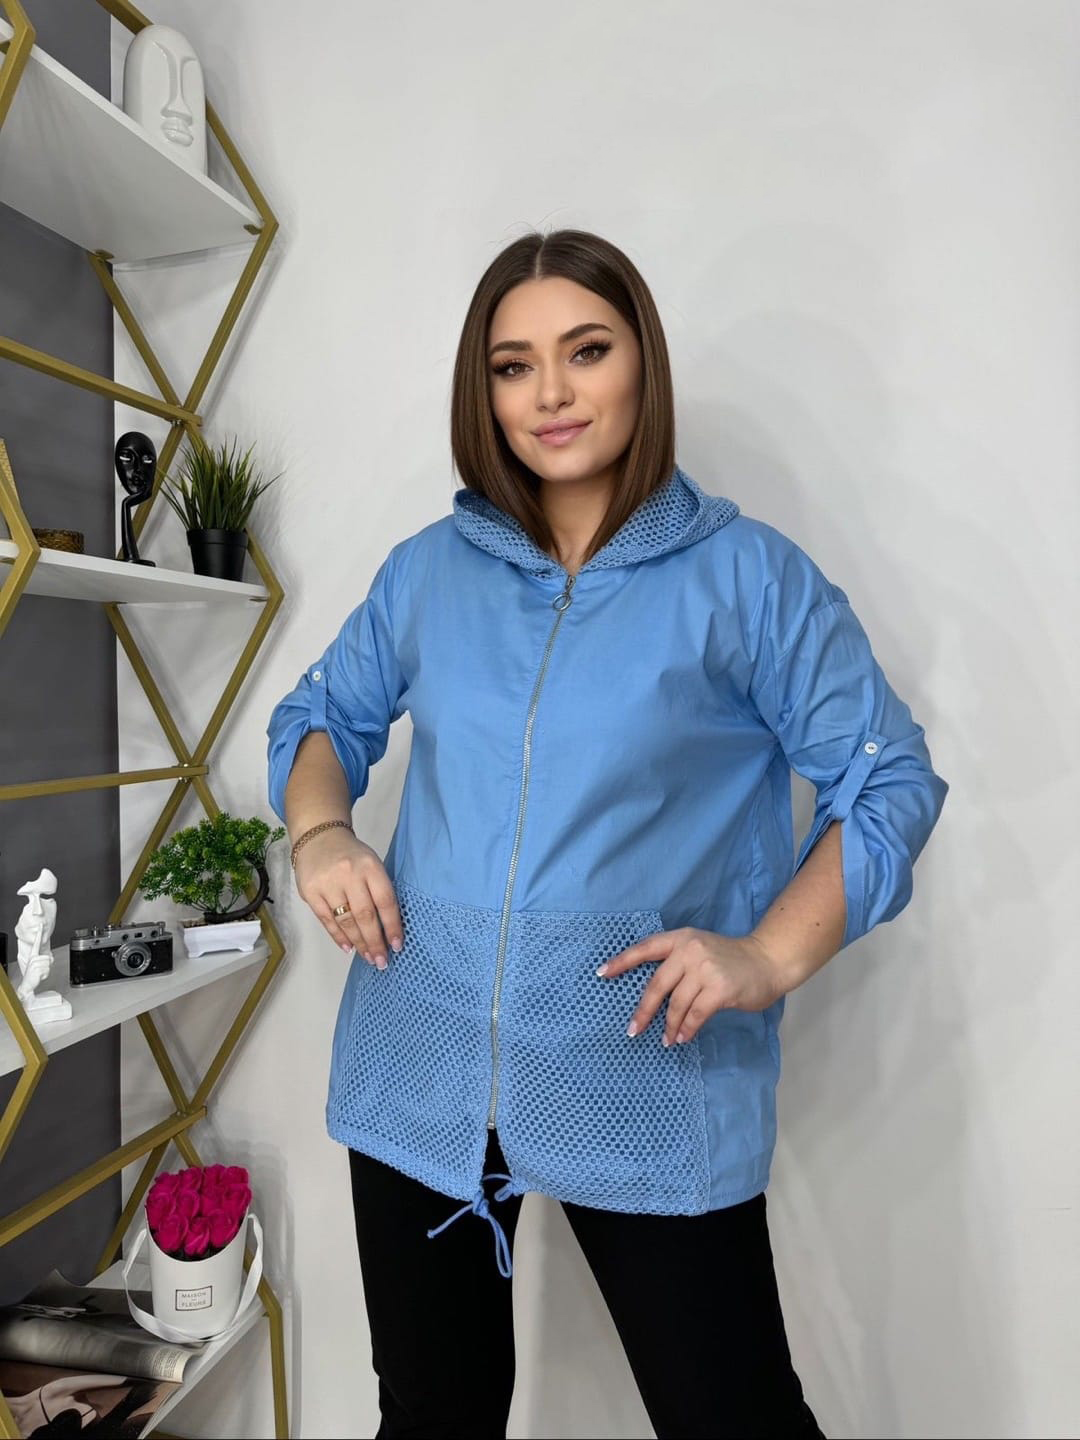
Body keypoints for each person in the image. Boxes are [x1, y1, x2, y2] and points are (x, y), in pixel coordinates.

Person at [265, 227, 949, 1439]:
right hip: (420, 1063)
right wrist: (320, 831)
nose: (552, 393)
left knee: (730, 1416)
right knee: (429, 1416)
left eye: (586, 350)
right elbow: (322, 715)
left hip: (641, 1066)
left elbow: (887, 775)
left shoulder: (747, 578)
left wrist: (769, 953)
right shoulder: (430, 572)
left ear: (644, 364)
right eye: (513, 365)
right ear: (484, 392)